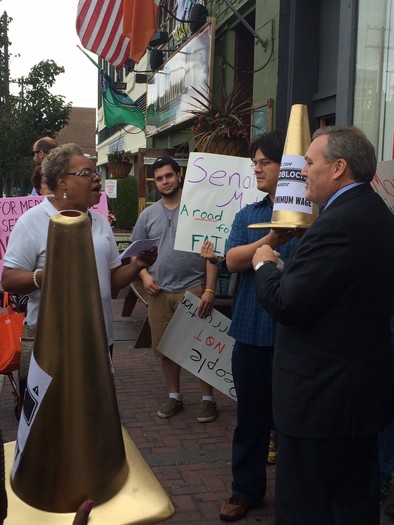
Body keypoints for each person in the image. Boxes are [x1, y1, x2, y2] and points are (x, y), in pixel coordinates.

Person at [252, 125, 394, 525]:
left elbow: (287, 302)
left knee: (307, 506)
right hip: (357, 400)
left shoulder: (335, 224)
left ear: (338, 168)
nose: (301, 172)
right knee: (354, 501)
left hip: (320, 404)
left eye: (310, 163)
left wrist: (265, 264)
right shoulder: (378, 214)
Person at [1, 143, 157, 392]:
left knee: (94, 417)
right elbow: (8, 279)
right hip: (53, 343)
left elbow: (113, 279)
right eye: (86, 173)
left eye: (96, 172)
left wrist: (139, 263)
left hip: (99, 340)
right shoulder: (32, 222)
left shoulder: (100, 222)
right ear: (62, 182)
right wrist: (45, 276)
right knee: (54, 424)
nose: (96, 178)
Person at [211, 132, 296, 522]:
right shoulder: (249, 214)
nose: (257, 168)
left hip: (296, 337)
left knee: (295, 423)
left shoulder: (312, 215)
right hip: (250, 333)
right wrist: (273, 237)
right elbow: (230, 260)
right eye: (255, 162)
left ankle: (296, 495)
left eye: (265, 162)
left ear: (287, 166)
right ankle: (245, 490)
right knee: (250, 421)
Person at [131, 156, 219, 422]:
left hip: (192, 289)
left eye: (169, 176)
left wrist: (209, 290)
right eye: (159, 178)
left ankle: (208, 400)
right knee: (165, 348)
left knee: (200, 348)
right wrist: (144, 276)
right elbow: (135, 255)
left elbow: (212, 253)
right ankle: (174, 397)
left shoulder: (199, 211)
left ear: (179, 176)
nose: (164, 182)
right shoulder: (148, 215)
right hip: (158, 293)